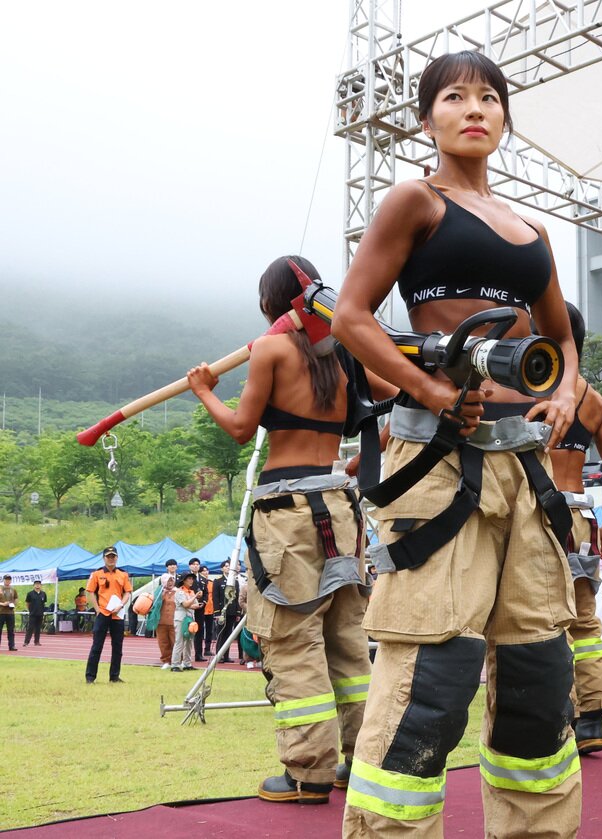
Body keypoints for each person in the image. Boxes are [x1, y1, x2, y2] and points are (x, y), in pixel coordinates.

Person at [331, 50, 583, 838]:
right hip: (439, 461)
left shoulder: (534, 228)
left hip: (525, 466)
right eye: (454, 97)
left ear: (505, 117)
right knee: (432, 674)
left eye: (489, 97)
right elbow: (351, 315)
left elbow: (561, 332)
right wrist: (433, 389)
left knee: (540, 671)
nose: (474, 109)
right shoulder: (416, 199)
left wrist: (569, 386)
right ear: (427, 117)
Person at [189, 254, 379, 806]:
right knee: (347, 639)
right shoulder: (343, 355)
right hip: (341, 512)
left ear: (270, 302)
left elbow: (242, 427)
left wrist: (204, 389)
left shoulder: (270, 350)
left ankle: (306, 773)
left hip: (288, 510)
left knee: (293, 640)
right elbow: (391, 392)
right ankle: (359, 761)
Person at [548, 301, 602, 755]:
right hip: (582, 516)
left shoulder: (530, 384)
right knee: (585, 621)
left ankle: (558, 715)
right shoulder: (593, 399)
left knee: (545, 622)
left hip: (542, 513)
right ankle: (591, 718)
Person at [84, 547, 132, 683]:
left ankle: (114, 676)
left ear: (117, 558)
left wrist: (121, 605)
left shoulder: (123, 574)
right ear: (104, 558)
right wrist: (97, 609)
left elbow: (127, 592)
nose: (111, 559)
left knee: (118, 647)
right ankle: (90, 677)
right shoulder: (97, 574)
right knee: (97, 646)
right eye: (108, 556)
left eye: (113, 556)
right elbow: (90, 591)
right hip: (103, 613)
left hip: (117, 614)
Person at [172, 571, 199, 672]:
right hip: (181, 618)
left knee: (189, 641)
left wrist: (191, 602)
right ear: (183, 580)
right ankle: (175, 664)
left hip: (190, 617)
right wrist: (194, 598)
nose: (191, 581)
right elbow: (186, 604)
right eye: (189, 579)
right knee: (179, 641)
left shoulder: (190, 592)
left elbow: (196, 605)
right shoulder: (180, 592)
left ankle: (187, 663)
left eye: (192, 579)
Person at [156, 572, 177, 669]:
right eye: (168, 581)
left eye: (172, 580)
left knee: (175, 642)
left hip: (175, 622)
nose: (170, 583)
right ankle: (166, 661)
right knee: (163, 642)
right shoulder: (159, 592)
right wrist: (161, 596)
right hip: (161, 621)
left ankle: (177, 660)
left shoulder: (178, 592)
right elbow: (153, 605)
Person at [23, 581, 46, 646]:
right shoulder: (30, 594)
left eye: (39, 584)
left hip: (40, 614)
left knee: (38, 628)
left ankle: (37, 641)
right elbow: (27, 603)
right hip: (33, 614)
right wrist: (30, 610)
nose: (37, 585)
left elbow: (43, 603)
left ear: (41, 585)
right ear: (34, 585)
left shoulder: (43, 594)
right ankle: (26, 642)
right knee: (30, 628)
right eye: (36, 584)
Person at [0, 575, 16, 651]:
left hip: (10, 612)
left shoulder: (13, 589)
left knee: (11, 630)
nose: (8, 581)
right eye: (6, 579)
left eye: (9, 579)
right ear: (4, 580)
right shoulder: (0, 588)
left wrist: (13, 604)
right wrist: (2, 604)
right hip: (1, 612)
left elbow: (16, 598)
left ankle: (12, 646)